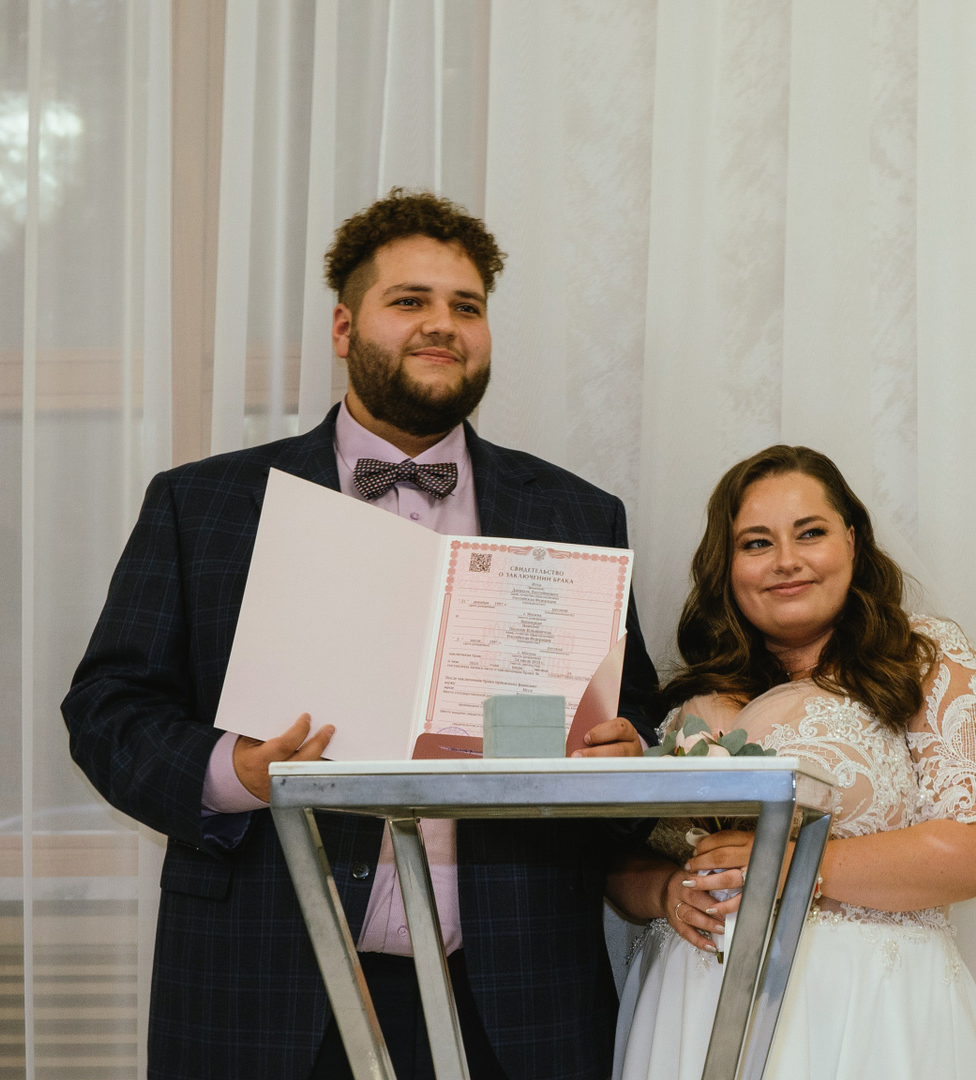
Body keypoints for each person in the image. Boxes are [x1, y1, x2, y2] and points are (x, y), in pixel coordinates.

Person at [62, 190, 661, 1080]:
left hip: (519, 996)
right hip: (263, 986)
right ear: (344, 328)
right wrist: (238, 772)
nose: (442, 324)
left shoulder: (579, 515)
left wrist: (627, 753)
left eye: (466, 307)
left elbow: (634, 719)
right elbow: (108, 712)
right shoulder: (203, 505)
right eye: (410, 300)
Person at [605, 445, 976, 1080]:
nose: (786, 561)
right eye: (756, 543)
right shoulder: (687, 697)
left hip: (866, 1007)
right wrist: (666, 891)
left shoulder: (923, 659)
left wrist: (797, 867)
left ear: (852, 541)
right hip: (691, 1004)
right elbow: (617, 864)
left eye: (810, 533)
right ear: (727, 565)